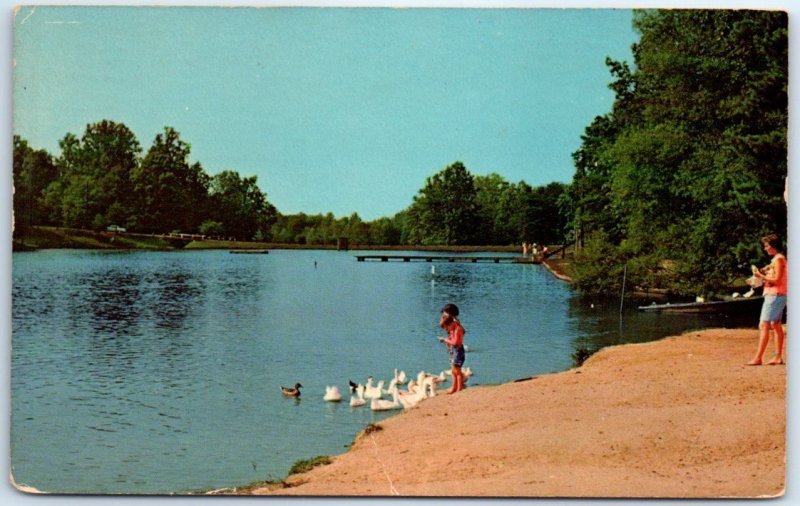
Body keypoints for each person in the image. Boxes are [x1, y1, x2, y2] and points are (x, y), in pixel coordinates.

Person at [747, 234, 787, 365]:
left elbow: (777, 280)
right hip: (776, 295)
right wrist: (763, 272)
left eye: (767, 246)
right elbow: (773, 273)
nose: (765, 249)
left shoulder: (779, 259)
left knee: (763, 324)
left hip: (775, 295)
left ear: (773, 246)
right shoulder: (776, 259)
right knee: (775, 324)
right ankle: (778, 356)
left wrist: (760, 276)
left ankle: (758, 358)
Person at [438, 303, 466, 394]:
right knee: (453, 371)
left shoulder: (457, 328)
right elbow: (452, 338)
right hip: (454, 350)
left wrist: (445, 340)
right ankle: (454, 388)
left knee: (457, 371)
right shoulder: (453, 326)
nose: (447, 329)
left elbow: (456, 342)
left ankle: (459, 389)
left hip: (457, 350)